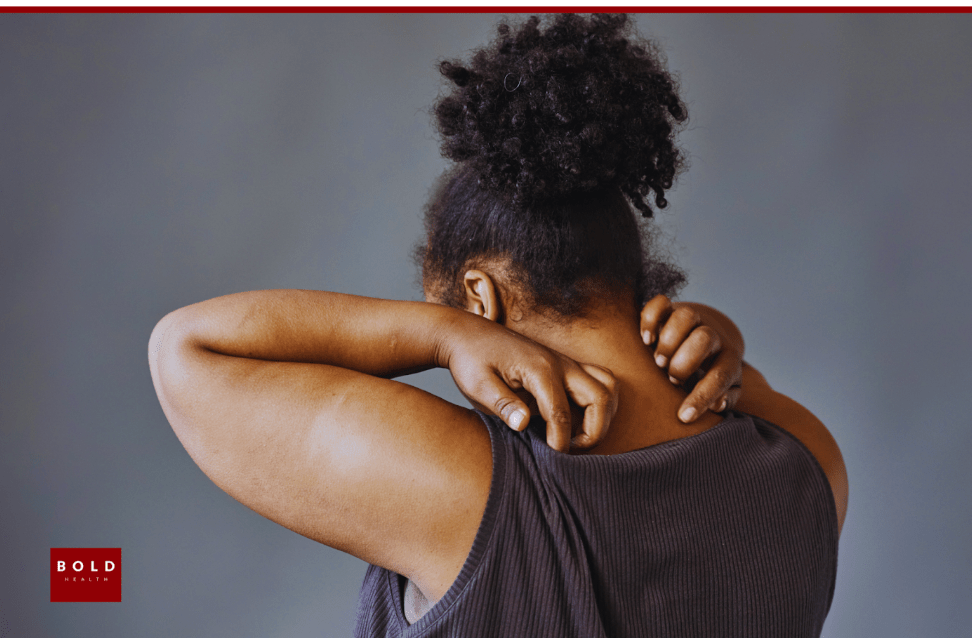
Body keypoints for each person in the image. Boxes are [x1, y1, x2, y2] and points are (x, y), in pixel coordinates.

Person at [148, 14, 847, 637]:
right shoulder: (807, 461)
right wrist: (728, 349)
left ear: (479, 295)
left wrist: (444, 338)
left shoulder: (461, 489)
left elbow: (186, 349)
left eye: (444, 305)